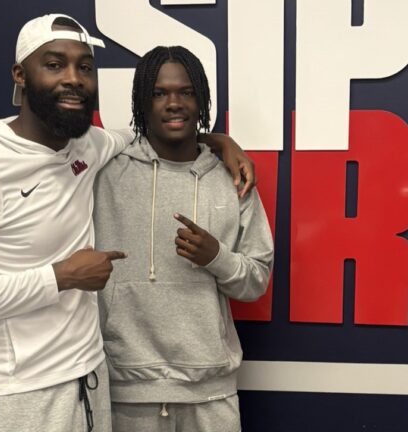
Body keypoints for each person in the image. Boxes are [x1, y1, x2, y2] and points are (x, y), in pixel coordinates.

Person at [0, 14, 255, 432]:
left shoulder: (90, 145)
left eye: (84, 67)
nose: (74, 78)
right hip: (13, 394)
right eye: (55, 64)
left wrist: (219, 140)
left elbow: (162, 133)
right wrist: (60, 276)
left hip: (90, 383)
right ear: (20, 74)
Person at [93, 46, 274, 432]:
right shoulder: (105, 172)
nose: (173, 103)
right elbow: (39, 150)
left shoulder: (233, 178)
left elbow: (256, 280)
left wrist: (217, 258)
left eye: (186, 92)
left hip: (211, 393)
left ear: (202, 100)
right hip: (127, 391)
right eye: (159, 93)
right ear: (142, 101)